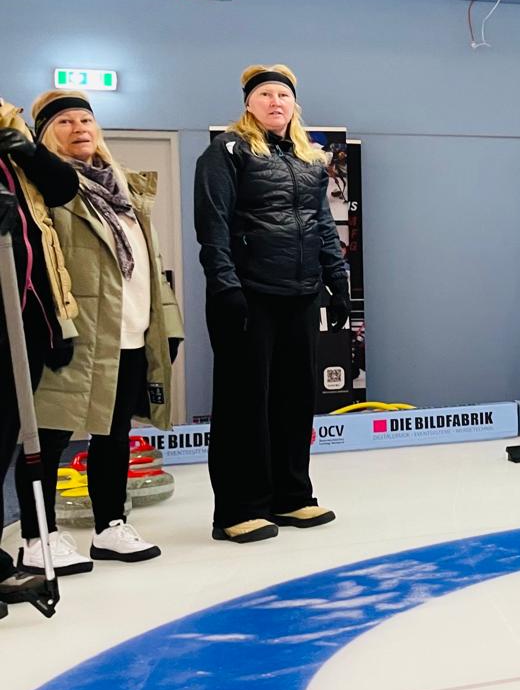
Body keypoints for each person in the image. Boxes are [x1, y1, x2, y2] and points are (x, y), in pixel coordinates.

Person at [15, 91, 184, 570]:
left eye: (86, 118)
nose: (79, 127)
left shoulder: (125, 189)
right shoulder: (43, 187)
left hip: (130, 329)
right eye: (64, 121)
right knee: (47, 436)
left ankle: (110, 526)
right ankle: (36, 537)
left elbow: (150, 265)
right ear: (46, 134)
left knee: (112, 434)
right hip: (75, 331)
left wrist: (164, 324)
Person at [194, 64, 350, 544]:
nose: (275, 102)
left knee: (294, 398)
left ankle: (292, 497)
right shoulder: (226, 152)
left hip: (299, 293)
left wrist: (337, 278)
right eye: (265, 94)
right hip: (248, 292)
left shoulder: (307, 158)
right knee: (245, 403)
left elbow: (322, 222)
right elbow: (213, 224)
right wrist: (224, 285)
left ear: (294, 104)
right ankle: (239, 509)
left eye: (283, 94)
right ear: (248, 102)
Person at [0, 97, 78, 609]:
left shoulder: (11, 134)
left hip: (24, 311)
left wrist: (25, 147)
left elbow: (62, 188)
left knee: (5, 436)